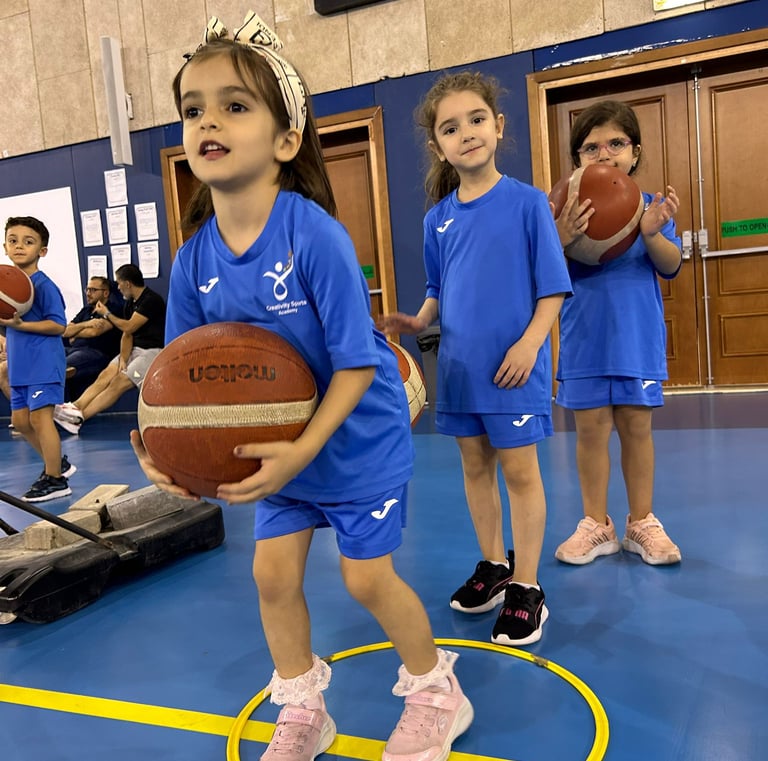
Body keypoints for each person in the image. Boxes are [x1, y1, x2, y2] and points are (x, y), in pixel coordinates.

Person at [129, 13, 473, 761]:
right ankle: (304, 707)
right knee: (272, 575)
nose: (207, 121)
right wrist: (172, 455)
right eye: (193, 109)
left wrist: (302, 452)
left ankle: (438, 690)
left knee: (366, 578)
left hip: (354, 437)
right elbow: (178, 385)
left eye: (234, 105)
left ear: (287, 141)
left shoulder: (313, 233)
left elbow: (354, 363)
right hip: (277, 449)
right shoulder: (191, 262)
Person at [378, 71, 572, 647]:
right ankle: (494, 565)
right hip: (460, 370)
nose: (466, 134)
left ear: (498, 126)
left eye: (476, 120)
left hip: (513, 368)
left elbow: (553, 289)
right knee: (474, 467)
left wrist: (531, 342)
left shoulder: (528, 203)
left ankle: (528, 587)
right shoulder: (436, 220)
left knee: (520, 472)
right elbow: (440, 289)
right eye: (450, 128)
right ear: (438, 146)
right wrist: (418, 321)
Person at [552, 99, 682, 566]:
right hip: (585, 342)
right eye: (590, 147)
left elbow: (671, 266)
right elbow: (543, 273)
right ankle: (596, 524)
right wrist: (561, 237)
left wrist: (651, 234)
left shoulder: (652, 208)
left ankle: (641, 521)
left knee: (636, 427)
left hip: (635, 343)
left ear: (635, 152)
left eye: (616, 143)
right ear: (576, 160)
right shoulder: (561, 212)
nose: (603, 154)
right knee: (589, 432)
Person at [1, 216, 76, 501]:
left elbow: (58, 326)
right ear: (5, 247)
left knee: (40, 419)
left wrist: (21, 326)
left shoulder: (43, 286)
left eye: (28, 242)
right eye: (13, 240)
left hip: (43, 363)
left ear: (42, 251)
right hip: (20, 365)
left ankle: (56, 479)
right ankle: (58, 463)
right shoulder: (7, 288)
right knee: (21, 423)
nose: (19, 246)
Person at [53, 263, 166, 435]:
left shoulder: (151, 300)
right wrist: (122, 359)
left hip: (151, 353)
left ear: (128, 283)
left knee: (118, 383)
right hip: (133, 350)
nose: (118, 287)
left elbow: (128, 326)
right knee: (106, 375)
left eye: (119, 283)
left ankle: (79, 418)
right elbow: (126, 335)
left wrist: (106, 314)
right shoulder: (129, 304)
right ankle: (75, 407)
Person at [62, 275, 122, 399]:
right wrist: (86, 324)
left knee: (61, 367)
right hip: (73, 349)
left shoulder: (113, 310)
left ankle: (61, 411)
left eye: (93, 290)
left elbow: (94, 332)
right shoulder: (86, 310)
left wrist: (75, 331)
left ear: (105, 293)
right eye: (87, 289)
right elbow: (64, 331)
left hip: (95, 353)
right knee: (46, 357)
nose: (88, 294)